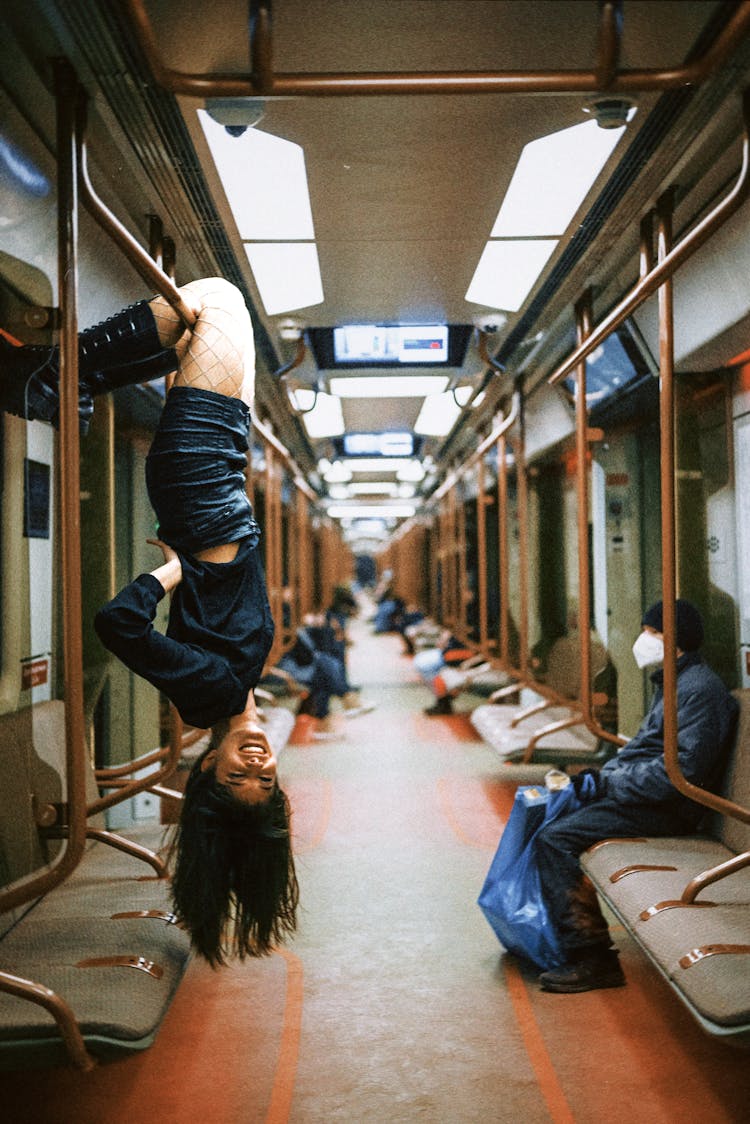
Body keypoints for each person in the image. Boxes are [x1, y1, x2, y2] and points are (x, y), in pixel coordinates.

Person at [2, 277, 299, 965]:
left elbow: (118, 625)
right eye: (267, 783)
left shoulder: (211, 693)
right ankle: (62, 379)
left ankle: (51, 373)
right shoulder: (238, 692)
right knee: (198, 327)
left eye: (235, 780)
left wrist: (168, 573)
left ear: (205, 775)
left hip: (198, 485)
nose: (257, 767)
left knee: (214, 298)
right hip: (219, 480)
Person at [534, 599, 738, 994]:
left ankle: (593, 959)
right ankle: (568, 940)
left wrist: (608, 785)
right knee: (553, 820)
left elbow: (679, 774)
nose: (643, 640)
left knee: (555, 840)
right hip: (653, 798)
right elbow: (647, 752)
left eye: (652, 632)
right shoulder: (676, 683)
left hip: (670, 808)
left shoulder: (697, 691)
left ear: (672, 640)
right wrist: (604, 777)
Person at [279, 620, 375, 739]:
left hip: (294, 661)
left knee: (326, 664)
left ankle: (326, 722)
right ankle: (346, 697)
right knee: (325, 668)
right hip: (283, 666)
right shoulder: (279, 623)